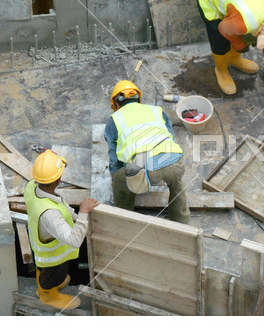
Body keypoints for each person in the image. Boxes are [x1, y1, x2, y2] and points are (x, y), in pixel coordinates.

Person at [104, 80, 190, 224]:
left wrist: (120, 177)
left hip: (144, 166)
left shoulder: (114, 120)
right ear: (138, 99)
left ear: (116, 105)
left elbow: (115, 159)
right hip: (174, 160)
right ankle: (181, 220)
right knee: (177, 184)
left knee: (120, 179)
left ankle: (124, 219)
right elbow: (171, 137)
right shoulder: (157, 111)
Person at [24, 150, 99, 310]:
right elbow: (74, 240)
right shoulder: (50, 214)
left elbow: (61, 207)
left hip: (42, 250)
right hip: (53, 258)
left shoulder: (31, 187)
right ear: (57, 179)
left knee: (44, 270)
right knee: (53, 275)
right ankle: (47, 295)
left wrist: (76, 215)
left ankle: (45, 284)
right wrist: (84, 213)